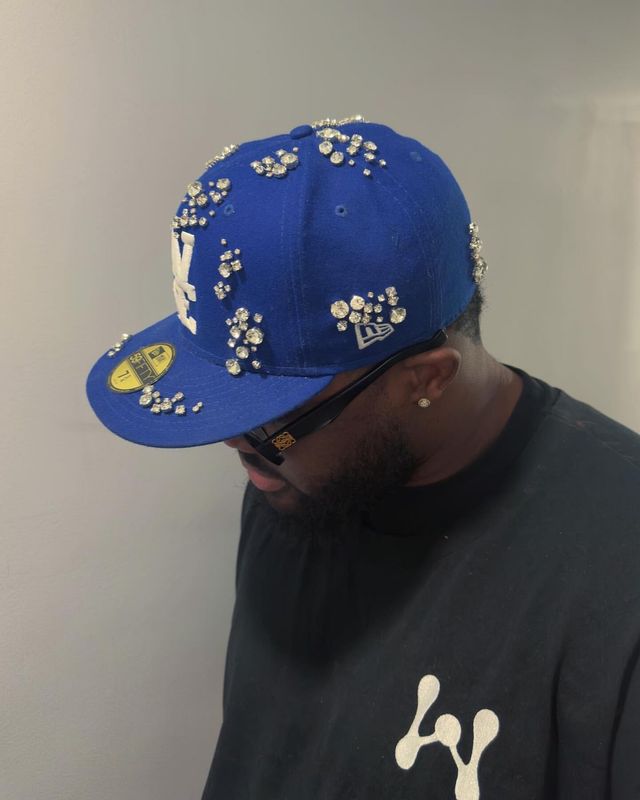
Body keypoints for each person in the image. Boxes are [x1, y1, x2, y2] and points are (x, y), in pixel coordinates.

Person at [86, 115, 640, 799]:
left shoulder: (616, 583)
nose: (236, 442)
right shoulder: (289, 475)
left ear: (425, 379)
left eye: (273, 418)